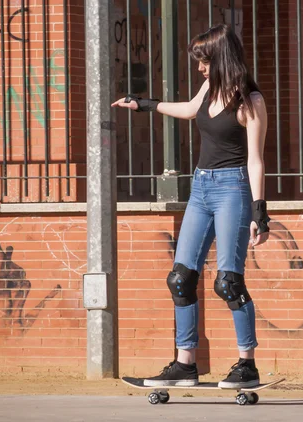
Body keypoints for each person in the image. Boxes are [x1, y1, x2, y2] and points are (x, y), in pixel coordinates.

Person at [111, 24, 270, 389]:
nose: (199, 67)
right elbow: (188, 110)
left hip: (234, 189)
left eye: (204, 60)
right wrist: (145, 104)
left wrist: (260, 212)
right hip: (200, 187)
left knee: (228, 282)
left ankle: (247, 365)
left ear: (221, 58)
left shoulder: (250, 101)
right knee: (181, 278)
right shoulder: (208, 88)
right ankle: (185, 365)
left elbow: (256, 161)